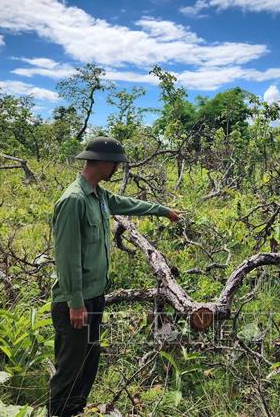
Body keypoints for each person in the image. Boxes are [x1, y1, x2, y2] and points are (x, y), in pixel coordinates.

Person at [48, 137, 181, 416]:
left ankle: (75, 411)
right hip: (75, 302)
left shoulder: (99, 195)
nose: (117, 170)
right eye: (116, 165)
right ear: (104, 163)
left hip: (94, 297)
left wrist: (163, 211)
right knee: (69, 369)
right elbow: (67, 257)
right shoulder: (73, 200)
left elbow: (128, 204)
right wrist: (75, 303)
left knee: (88, 363)